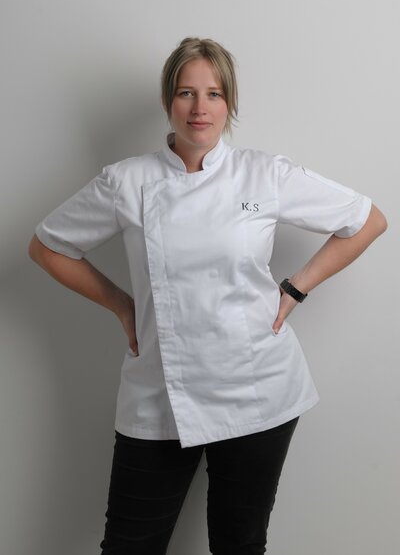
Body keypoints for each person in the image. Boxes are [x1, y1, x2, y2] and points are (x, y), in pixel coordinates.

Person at [28, 36, 387, 555]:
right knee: (129, 545)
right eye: (186, 93)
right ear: (168, 100)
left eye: (214, 94)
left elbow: (367, 220)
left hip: (257, 388)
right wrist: (123, 305)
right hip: (158, 393)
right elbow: (48, 247)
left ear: (229, 102)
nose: (200, 107)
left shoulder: (265, 174)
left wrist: (295, 288)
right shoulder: (127, 182)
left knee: (239, 544)